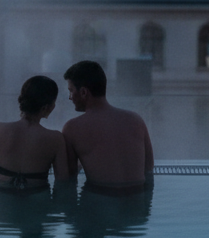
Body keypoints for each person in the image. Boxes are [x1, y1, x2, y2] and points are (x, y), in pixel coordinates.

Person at [61, 60, 154, 193]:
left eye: (71, 91)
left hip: (101, 203)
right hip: (136, 202)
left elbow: (69, 180)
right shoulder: (136, 120)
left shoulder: (73, 128)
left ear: (83, 92)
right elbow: (149, 171)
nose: (70, 97)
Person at [0, 75, 70, 189]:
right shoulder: (55, 139)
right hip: (38, 201)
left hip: (5, 202)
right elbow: (63, 184)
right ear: (47, 107)